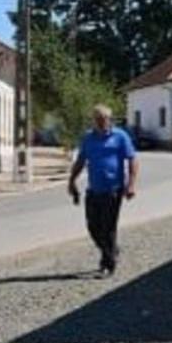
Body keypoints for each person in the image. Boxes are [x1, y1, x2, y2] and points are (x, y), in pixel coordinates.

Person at [68, 105, 139, 276]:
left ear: (110, 120)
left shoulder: (120, 136)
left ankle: (108, 264)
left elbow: (132, 159)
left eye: (104, 119)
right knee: (93, 227)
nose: (101, 122)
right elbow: (81, 161)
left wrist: (131, 184)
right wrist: (72, 181)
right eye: (97, 119)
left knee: (108, 227)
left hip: (113, 190)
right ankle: (112, 251)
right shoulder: (88, 138)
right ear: (93, 120)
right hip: (93, 190)